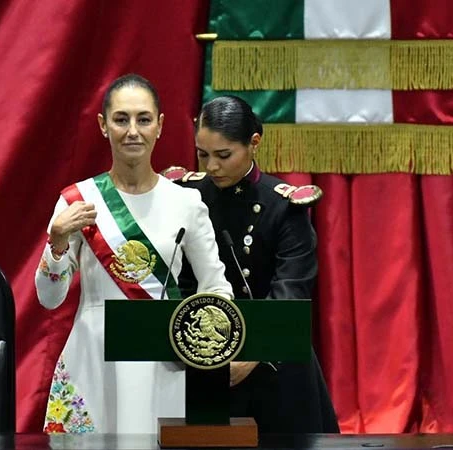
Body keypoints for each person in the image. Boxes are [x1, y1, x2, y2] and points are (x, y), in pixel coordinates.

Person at [35, 74, 234, 434]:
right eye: (121, 119)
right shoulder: (77, 200)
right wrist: (58, 237)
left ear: (159, 126)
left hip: (163, 361)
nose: (132, 130)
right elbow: (50, 299)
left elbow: (217, 288)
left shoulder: (186, 202)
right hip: (94, 356)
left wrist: (200, 341)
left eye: (143, 119)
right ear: (103, 125)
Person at [170, 95, 340, 433]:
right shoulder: (186, 198)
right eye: (202, 155)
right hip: (207, 358)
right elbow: (181, 282)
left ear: (254, 143)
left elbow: (291, 289)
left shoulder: (283, 205)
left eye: (223, 155)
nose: (211, 168)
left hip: (274, 361)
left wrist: (251, 354)